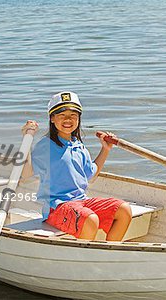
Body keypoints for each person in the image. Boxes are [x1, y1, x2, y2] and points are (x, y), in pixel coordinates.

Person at [21, 91, 132, 241]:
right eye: (62, 115)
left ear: (79, 118)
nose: (68, 119)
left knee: (123, 209)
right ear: (52, 119)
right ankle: (86, 258)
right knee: (90, 219)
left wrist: (105, 149)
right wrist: (27, 139)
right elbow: (26, 174)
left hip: (81, 201)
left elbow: (91, 176)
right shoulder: (45, 146)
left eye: (73, 115)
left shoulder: (78, 145)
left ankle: (108, 253)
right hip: (57, 207)